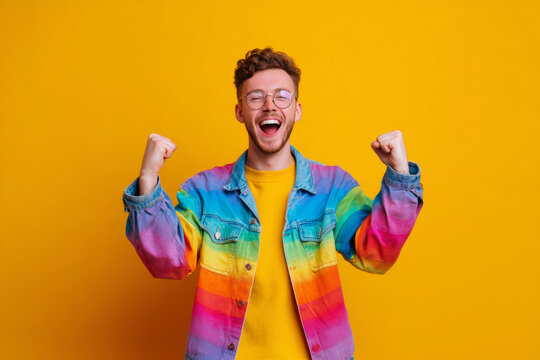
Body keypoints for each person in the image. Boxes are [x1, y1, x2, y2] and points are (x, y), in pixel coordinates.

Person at [122, 47, 423, 360]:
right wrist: (148, 181)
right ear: (240, 111)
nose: (269, 106)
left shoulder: (332, 188)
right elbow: (169, 261)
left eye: (282, 96)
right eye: (255, 97)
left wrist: (400, 176)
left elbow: (376, 253)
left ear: (297, 109)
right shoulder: (204, 192)